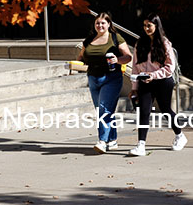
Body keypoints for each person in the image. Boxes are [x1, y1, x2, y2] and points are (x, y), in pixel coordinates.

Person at [128, 13, 187, 156]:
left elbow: (170, 67)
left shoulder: (164, 43)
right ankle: (141, 145)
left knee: (165, 109)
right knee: (144, 111)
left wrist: (153, 75)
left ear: (156, 26)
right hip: (144, 81)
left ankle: (180, 135)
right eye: (144, 25)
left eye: (149, 25)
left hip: (162, 81)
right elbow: (135, 67)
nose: (146, 28)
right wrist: (134, 88)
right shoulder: (140, 43)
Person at [79, 12, 132, 153]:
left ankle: (102, 141)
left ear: (109, 24)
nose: (100, 25)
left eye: (103, 23)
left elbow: (128, 57)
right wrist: (74, 65)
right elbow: (81, 57)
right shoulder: (89, 39)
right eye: (97, 23)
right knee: (103, 110)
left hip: (111, 78)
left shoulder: (115, 38)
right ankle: (112, 140)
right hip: (93, 78)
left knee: (104, 110)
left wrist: (117, 60)